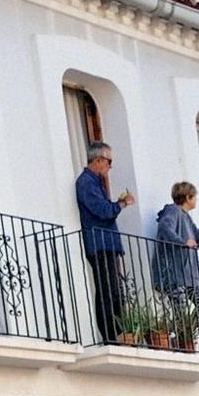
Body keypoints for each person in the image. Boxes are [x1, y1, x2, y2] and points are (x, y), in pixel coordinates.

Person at [74, 141, 133, 340]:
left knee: (114, 291)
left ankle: (119, 333)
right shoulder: (86, 182)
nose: (110, 166)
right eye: (109, 161)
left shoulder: (94, 182)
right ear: (98, 160)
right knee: (107, 291)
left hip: (106, 243)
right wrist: (122, 204)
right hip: (100, 244)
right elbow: (102, 211)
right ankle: (110, 336)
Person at [150, 182, 199, 318]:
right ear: (187, 197)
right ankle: (181, 337)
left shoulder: (186, 218)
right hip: (173, 274)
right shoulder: (173, 210)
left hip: (189, 276)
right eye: (195, 196)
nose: (196, 199)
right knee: (181, 306)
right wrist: (182, 242)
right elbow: (164, 227)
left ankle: (187, 333)